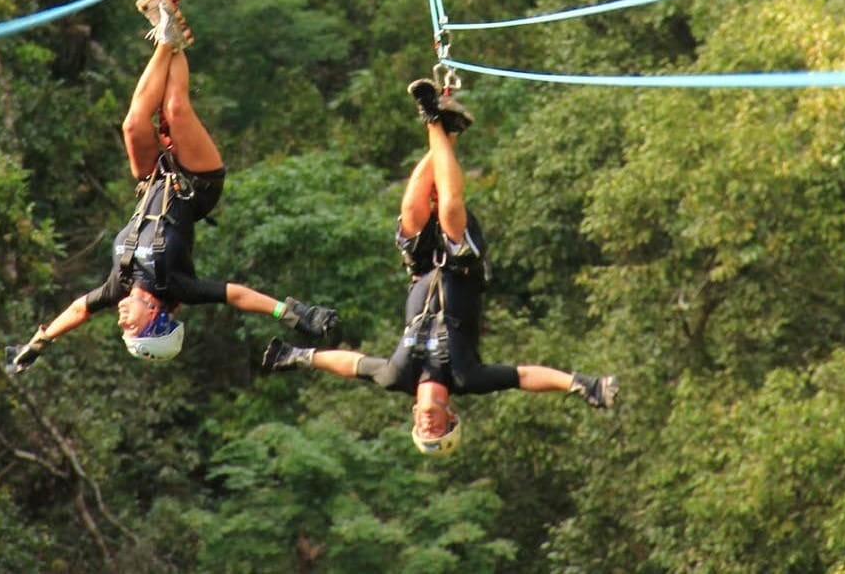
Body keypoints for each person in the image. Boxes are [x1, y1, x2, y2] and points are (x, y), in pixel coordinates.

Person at [261, 78, 618, 455]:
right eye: (438, 430)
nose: (429, 425)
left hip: (421, 268)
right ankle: (434, 120)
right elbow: (526, 376)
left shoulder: (396, 377)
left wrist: (299, 357)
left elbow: (351, 364)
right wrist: (581, 384)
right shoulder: (468, 378)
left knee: (412, 208)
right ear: (452, 418)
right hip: (464, 268)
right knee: (448, 209)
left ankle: (445, 127)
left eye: (423, 430)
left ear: (414, 416)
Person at [5, 0, 339, 373]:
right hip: (196, 184)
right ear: (155, 318)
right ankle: (166, 33)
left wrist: (38, 343)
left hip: (152, 179)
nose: (121, 321)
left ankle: (167, 33)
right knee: (175, 109)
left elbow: (79, 309)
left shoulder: (119, 286)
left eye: (123, 329)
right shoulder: (176, 287)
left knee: (133, 125)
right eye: (132, 327)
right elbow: (238, 295)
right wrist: (294, 314)